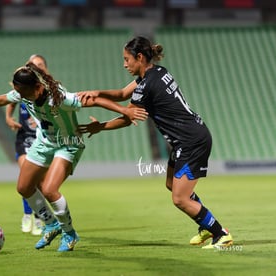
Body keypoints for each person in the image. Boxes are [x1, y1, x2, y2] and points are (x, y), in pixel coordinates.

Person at [0, 62, 148, 251]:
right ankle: (51, 224)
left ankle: (70, 234)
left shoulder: (59, 98)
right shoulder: (24, 93)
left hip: (68, 144)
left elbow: (94, 99)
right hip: (44, 143)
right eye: (18, 93)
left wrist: (124, 111)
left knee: (49, 189)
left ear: (37, 88)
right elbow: (4, 98)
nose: (20, 96)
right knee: (23, 187)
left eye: (23, 93)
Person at [77, 36, 233, 249]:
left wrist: (100, 125)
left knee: (179, 199)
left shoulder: (147, 85)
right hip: (188, 138)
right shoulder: (158, 72)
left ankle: (220, 233)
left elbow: (128, 116)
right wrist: (97, 92)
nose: (124, 64)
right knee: (172, 185)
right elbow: (122, 94)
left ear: (139, 57)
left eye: (126, 59)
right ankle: (206, 224)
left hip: (190, 141)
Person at [5, 54, 48, 236]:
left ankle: (39, 218)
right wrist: (8, 117)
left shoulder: (50, 91)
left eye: (39, 64)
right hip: (24, 137)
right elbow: (9, 101)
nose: (36, 67)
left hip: (43, 139)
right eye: (33, 65)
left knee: (39, 182)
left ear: (45, 68)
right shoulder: (24, 87)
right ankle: (27, 214)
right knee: (26, 175)